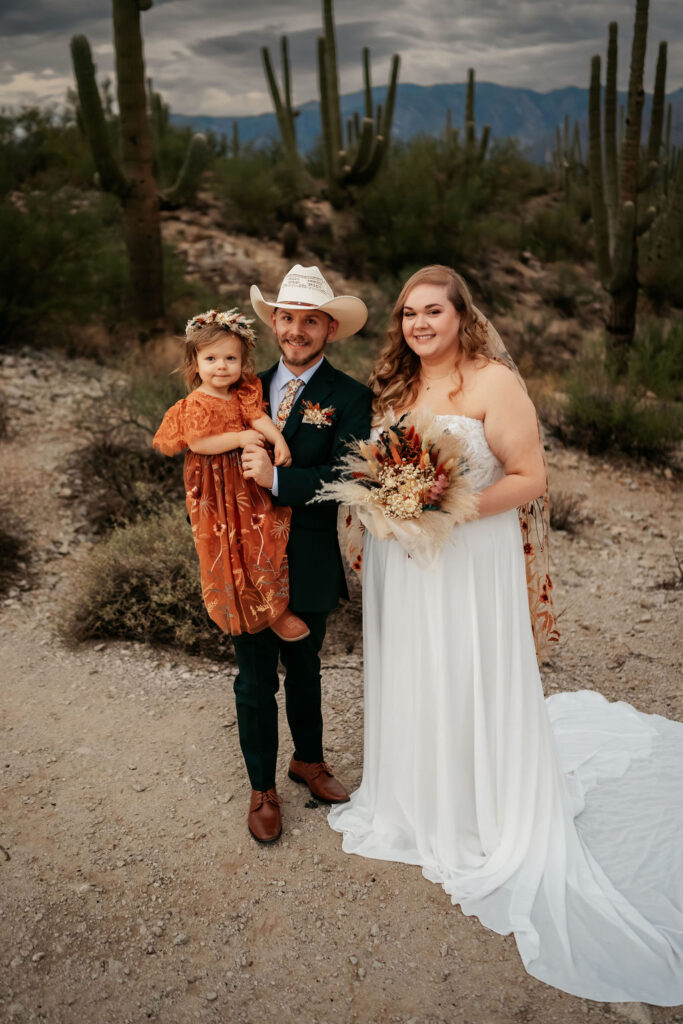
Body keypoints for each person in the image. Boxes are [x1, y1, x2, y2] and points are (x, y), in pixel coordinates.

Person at [328, 265, 683, 1004]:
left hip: (468, 553)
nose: (418, 324)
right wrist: (387, 502)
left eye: (432, 311)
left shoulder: (493, 383)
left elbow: (529, 477)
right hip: (405, 559)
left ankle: (478, 805)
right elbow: (374, 467)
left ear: (462, 315)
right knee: (412, 672)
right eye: (408, 314)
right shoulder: (397, 389)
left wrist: (448, 507)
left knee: (463, 671)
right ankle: (413, 800)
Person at [229, 265, 373, 844]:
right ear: (274, 324)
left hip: (309, 553)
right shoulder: (240, 389)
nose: (296, 330)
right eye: (286, 318)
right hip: (244, 557)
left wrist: (278, 480)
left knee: (306, 663)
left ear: (329, 328)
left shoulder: (351, 397)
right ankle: (263, 786)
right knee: (254, 676)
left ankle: (308, 760)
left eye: (309, 321)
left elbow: (346, 475)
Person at [153, 308, 311, 642]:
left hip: (248, 485)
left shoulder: (244, 392)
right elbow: (199, 442)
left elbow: (257, 418)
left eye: (230, 358)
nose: (221, 366)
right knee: (225, 546)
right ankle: (240, 606)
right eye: (211, 358)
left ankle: (274, 608)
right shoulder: (195, 403)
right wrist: (238, 439)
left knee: (262, 537)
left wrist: (277, 438)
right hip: (214, 488)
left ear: (243, 362)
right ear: (195, 364)